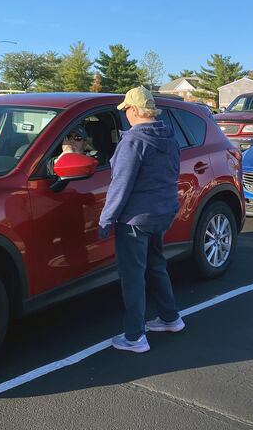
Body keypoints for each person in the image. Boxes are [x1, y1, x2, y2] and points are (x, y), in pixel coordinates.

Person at [98, 86, 184, 353]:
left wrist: (106, 219)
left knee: (132, 276)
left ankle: (135, 337)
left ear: (134, 110)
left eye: (127, 111)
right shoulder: (169, 137)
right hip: (162, 213)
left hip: (135, 219)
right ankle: (170, 318)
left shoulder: (133, 141)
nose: (126, 116)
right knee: (157, 265)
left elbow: (120, 184)